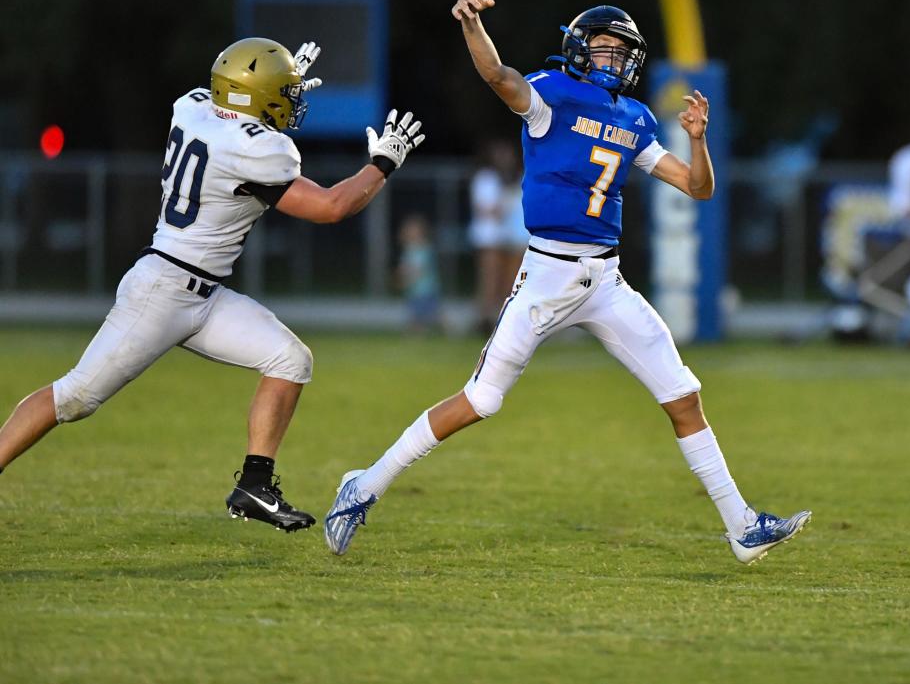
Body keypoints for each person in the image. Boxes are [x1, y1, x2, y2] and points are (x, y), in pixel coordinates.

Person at [324, 0, 811, 564]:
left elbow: (696, 186)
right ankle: (365, 484)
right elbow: (498, 77)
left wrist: (698, 141)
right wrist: (471, 25)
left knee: (683, 394)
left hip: (606, 281)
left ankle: (741, 527)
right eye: (605, 48)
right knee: (482, 400)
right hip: (547, 275)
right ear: (580, 48)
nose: (616, 60)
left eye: (622, 52)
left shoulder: (634, 116)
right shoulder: (552, 94)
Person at [0, 37, 424, 532]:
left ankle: (254, 486)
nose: (293, 103)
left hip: (203, 293)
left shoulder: (193, 107)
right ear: (257, 97)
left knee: (291, 360)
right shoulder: (260, 149)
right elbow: (332, 207)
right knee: (74, 397)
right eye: (284, 94)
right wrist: (382, 164)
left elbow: (234, 110)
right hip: (162, 291)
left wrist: (273, 83)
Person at [469, 140, 527, 332]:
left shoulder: (516, 178)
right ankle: (483, 321)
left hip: (509, 237)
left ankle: (503, 322)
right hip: (489, 238)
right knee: (489, 280)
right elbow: (487, 209)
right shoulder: (485, 178)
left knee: (509, 282)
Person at [396, 214, 441, 332]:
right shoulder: (408, 250)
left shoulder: (425, 250)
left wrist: (408, 279)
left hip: (426, 290)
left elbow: (421, 270)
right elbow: (404, 267)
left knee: (432, 315)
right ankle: (418, 331)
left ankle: (448, 330)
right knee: (416, 315)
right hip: (413, 291)